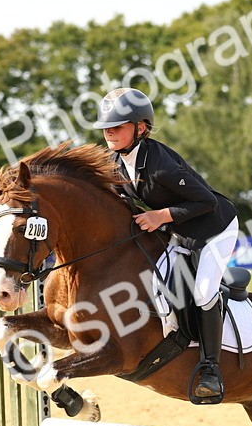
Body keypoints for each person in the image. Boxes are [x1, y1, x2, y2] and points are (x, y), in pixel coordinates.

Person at [94, 87, 239, 402]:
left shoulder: (160, 163)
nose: (109, 132)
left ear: (140, 128)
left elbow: (206, 201)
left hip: (214, 227)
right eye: (106, 127)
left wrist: (160, 215)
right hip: (178, 230)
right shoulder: (115, 160)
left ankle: (211, 369)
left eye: (117, 126)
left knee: (202, 291)